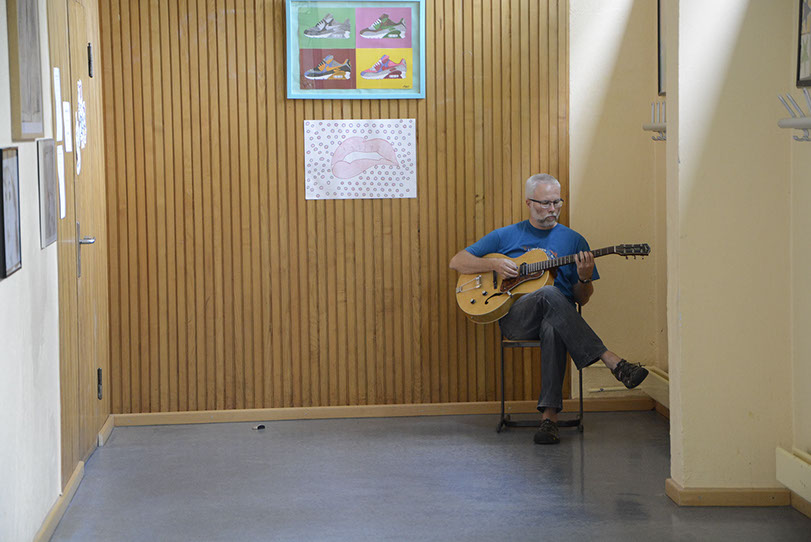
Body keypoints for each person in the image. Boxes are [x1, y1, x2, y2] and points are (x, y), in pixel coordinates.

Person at [449, 173, 648, 445]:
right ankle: (610, 359)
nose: (552, 209)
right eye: (545, 203)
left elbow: (582, 299)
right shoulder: (506, 235)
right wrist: (493, 264)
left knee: (553, 325)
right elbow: (457, 261)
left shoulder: (575, 241)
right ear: (528, 203)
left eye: (557, 202)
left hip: (560, 319)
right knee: (549, 293)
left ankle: (549, 421)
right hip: (517, 319)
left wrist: (585, 278)